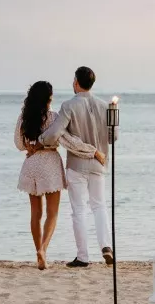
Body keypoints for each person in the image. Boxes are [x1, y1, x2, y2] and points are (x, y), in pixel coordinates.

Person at [14, 80, 105, 270]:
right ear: (47, 99)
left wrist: (30, 147)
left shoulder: (24, 117)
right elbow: (68, 141)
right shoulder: (53, 117)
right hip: (50, 165)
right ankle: (43, 250)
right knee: (52, 213)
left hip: (31, 165)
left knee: (35, 214)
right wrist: (93, 151)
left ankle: (39, 252)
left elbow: (18, 143)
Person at [35, 66, 114, 268]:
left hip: (76, 165)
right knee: (99, 206)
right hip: (98, 163)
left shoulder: (69, 105)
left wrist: (40, 140)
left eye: (73, 80)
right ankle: (106, 246)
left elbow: (55, 133)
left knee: (79, 210)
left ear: (77, 82)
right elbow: (113, 137)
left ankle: (83, 256)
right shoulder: (105, 106)